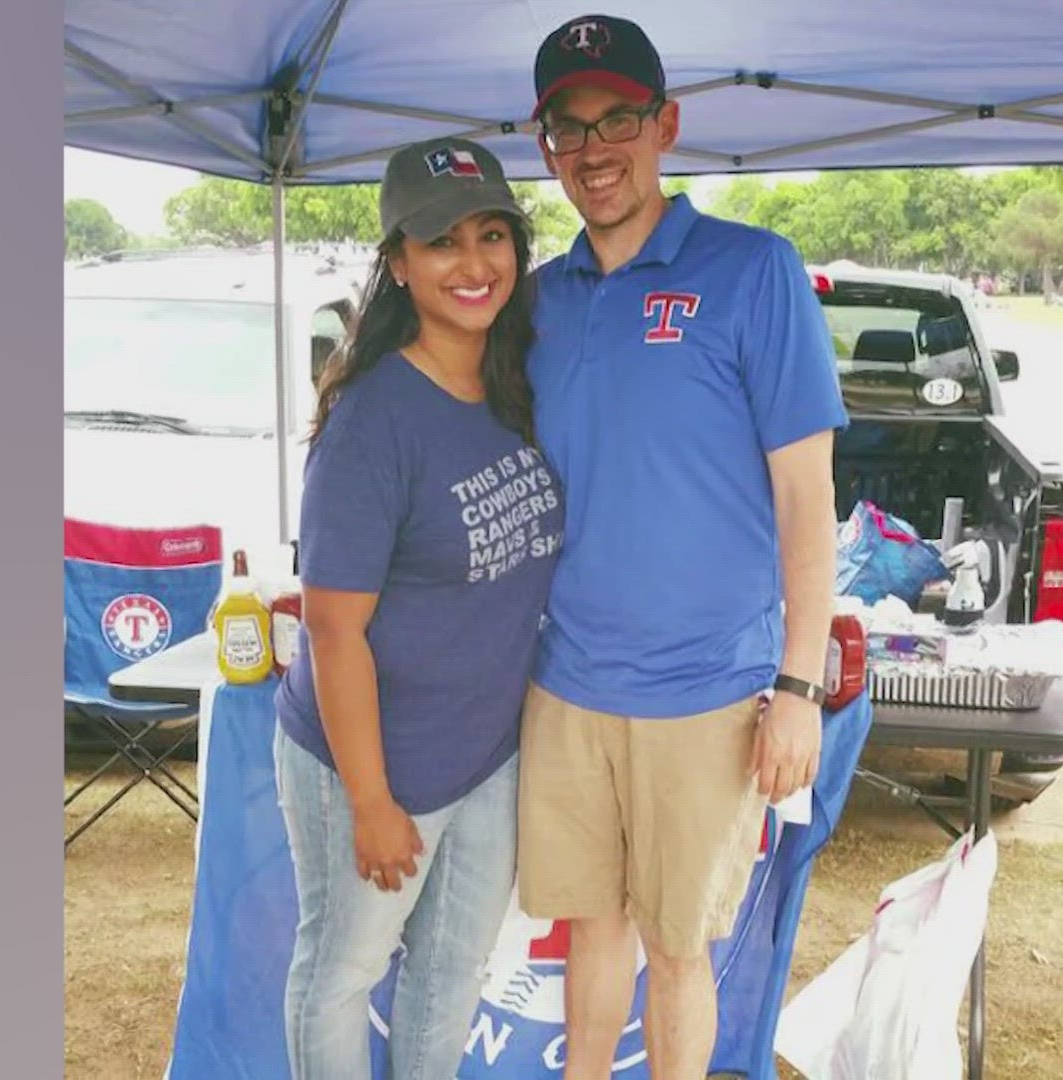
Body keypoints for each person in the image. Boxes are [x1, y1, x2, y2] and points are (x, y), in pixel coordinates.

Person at [515, 14, 850, 1080]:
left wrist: (798, 683)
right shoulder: (537, 303)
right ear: (545, 148)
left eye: (617, 118)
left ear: (666, 124)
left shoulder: (754, 271)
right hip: (566, 684)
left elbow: (807, 500)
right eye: (568, 129)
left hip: (706, 690)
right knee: (592, 930)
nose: (593, 148)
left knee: (676, 948)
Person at [271, 136, 566, 1080]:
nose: (473, 264)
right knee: (341, 974)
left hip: (484, 758)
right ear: (398, 263)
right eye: (442, 242)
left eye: (492, 235)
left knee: (453, 973)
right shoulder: (372, 420)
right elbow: (332, 628)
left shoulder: (515, 382)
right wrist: (370, 801)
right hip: (371, 764)